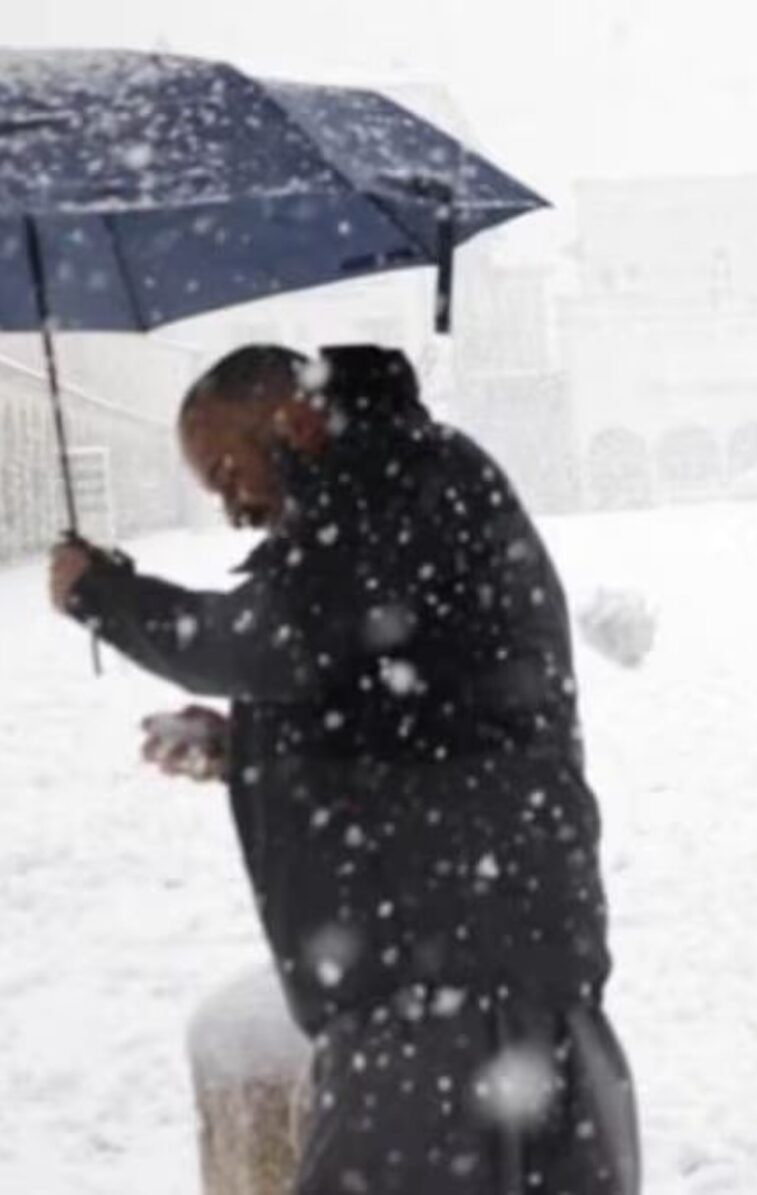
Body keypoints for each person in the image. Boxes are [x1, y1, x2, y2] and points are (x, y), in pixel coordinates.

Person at [49, 343, 640, 1194]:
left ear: (290, 417)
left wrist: (96, 592)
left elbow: (263, 641)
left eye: (227, 468)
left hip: (444, 986)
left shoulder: (391, 482)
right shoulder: (390, 490)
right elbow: (392, 709)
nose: (231, 505)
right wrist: (240, 748)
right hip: (488, 963)